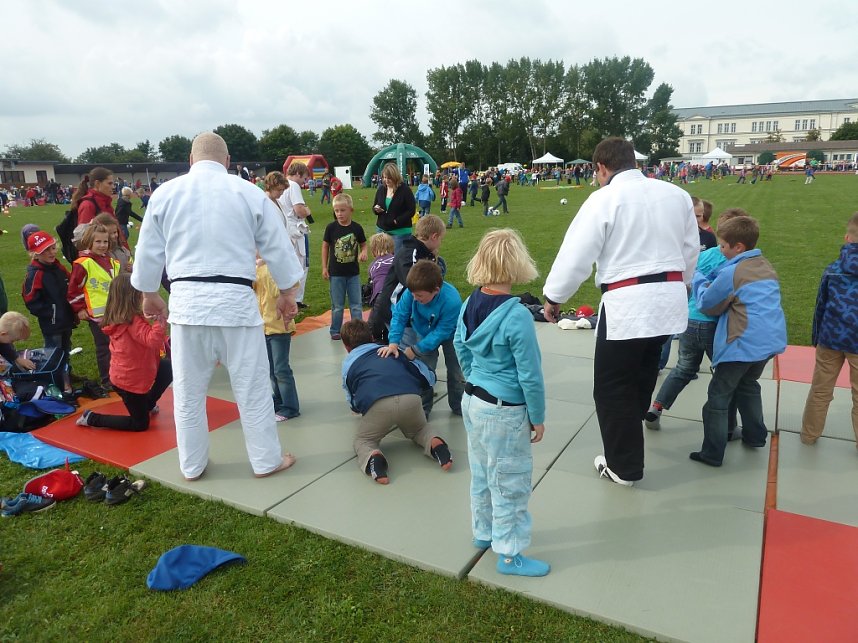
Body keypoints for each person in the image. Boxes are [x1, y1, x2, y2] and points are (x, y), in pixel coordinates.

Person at [130, 132, 304, 480]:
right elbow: (277, 247)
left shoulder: (164, 194)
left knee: (188, 393)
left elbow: (149, 249)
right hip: (236, 305)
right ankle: (265, 460)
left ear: (191, 161)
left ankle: (191, 465)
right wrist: (288, 293)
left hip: (187, 305)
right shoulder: (248, 193)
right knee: (252, 389)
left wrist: (149, 293)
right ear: (227, 162)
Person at [542, 137, 699, 486]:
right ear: (633, 160)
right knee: (642, 374)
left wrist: (553, 298)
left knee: (612, 387)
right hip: (668, 300)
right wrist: (680, 286)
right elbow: (691, 249)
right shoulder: (677, 195)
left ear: (601, 167)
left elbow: (576, 255)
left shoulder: (604, 199)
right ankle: (628, 446)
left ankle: (623, 466)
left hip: (628, 304)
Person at [454, 229, 549, 577]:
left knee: (481, 472)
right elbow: (530, 374)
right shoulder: (516, 315)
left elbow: (459, 344)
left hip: (473, 401)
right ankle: (509, 553)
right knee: (511, 481)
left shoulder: (469, 303)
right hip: (503, 411)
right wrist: (537, 416)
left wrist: (474, 377)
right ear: (516, 265)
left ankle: (484, 532)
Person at [691, 215, 786, 466]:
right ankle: (755, 436)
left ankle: (712, 453)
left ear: (738, 247)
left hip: (742, 343)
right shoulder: (764, 265)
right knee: (748, 386)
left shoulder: (733, 272)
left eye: (723, 246)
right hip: (768, 342)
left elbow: (707, 304)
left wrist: (699, 278)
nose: (720, 250)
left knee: (718, 397)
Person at [645, 208, 749, 431]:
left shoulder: (704, 255)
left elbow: (688, 280)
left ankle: (656, 407)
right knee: (724, 376)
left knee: (683, 368)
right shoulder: (738, 264)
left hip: (690, 320)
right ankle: (729, 426)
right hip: (716, 325)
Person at [340, 319, 452, 485]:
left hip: (378, 404)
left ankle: (374, 459)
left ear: (346, 346)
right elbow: (424, 374)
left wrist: (358, 408)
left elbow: (351, 395)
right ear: (372, 338)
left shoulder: (349, 363)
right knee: (420, 429)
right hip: (410, 399)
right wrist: (430, 378)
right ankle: (436, 445)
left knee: (364, 440)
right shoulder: (391, 350)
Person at [75, 273, 172, 431]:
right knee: (140, 424)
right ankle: (92, 418)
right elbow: (153, 340)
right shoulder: (131, 321)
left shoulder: (125, 317)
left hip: (138, 371)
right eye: (141, 293)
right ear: (132, 297)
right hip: (129, 383)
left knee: (167, 368)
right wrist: (160, 319)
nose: (144, 296)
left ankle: (147, 403)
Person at [800, 211, 858, 446]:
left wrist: (817, 336)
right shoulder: (832, 269)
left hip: (830, 337)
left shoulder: (833, 269)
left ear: (847, 237)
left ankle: (809, 435)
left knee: (820, 390)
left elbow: (820, 306)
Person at [381, 260, 464, 417]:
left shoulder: (452, 300)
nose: (415, 298)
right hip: (424, 330)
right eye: (413, 294)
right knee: (424, 371)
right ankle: (423, 410)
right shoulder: (411, 293)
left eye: (419, 296)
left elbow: (442, 332)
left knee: (455, 370)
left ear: (436, 290)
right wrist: (393, 342)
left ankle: (459, 405)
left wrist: (416, 349)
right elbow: (399, 315)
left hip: (452, 333)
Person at [368, 214, 446, 343]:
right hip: (396, 309)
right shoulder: (410, 253)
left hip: (409, 309)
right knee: (407, 348)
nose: (440, 243)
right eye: (440, 239)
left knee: (415, 346)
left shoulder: (423, 252)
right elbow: (414, 283)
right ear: (434, 236)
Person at [21, 230, 77, 394]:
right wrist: (50, 313)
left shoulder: (58, 266)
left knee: (65, 349)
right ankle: (56, 383)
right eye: (45, 250)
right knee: (54, 352)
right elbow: (30, 299)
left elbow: (70, 283)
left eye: (52, 248)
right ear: (35, 254)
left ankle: (66, 376)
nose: (51, 252)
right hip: (52, 323)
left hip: (66, 319)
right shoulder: (35, 273)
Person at [68, 223, 120, 390]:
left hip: (116, 313)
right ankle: (107, 380)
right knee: (104, 348)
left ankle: (118, 375)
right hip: (97, 316)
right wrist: (79, 308)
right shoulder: (83, 264)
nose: (102, 245)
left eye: (105, 242)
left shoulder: (112, 261)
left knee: (118, 346)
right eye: (98, 242)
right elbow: (73, 290)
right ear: (89, 241)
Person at [255, 255, 300, 422]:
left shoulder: (276, 266)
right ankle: (279, 400)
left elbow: (280, 290)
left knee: (281, 368)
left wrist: (265, 266)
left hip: (279, 326)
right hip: (264, 326)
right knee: (271, 368)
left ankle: (290, 406)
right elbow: (252, 288)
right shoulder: (258, 267)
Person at [322, 193, 367, 340]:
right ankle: (335, 329)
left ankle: (358, 331)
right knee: (337, 305)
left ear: (350, 210)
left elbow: (363, 244)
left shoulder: (357, 228)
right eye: (336, 211)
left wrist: (363, 253)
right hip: (336, 274)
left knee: (356, 304)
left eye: (342, 210)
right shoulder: (331, 228)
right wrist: (324, 267)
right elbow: (325, 247)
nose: (339, 214)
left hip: (353, 273)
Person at [278, 163, 313, 308]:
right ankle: (296, 299)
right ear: (298, 173)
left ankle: (286, 296)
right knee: (301, 264)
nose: (304, 182)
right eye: (304, 178)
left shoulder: (282, 185)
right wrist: (307, 211)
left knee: (287, 264)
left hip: (283, 227)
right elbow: (299, 209)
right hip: (295, 228)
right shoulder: (293, 185)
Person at [372, 163, 417, 254]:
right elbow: (375, 205)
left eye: (389, 178)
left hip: (400, 232)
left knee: (397, 260)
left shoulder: (405, 190)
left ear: (395, 176)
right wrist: (376, 209)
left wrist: (397, 220)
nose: (386, 180)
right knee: (382, 259)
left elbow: (411, 210)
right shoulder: (381, 189)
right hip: (382, 230)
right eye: (384, 177)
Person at [367, 233, 394, 308]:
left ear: (373, 249)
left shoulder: (372, 266)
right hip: (396, 293)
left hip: (380, 295)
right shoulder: (397, 259)